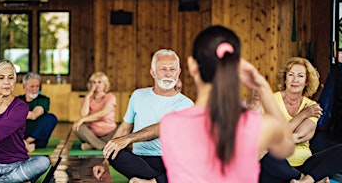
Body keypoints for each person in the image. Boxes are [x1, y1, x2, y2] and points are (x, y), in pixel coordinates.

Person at [156, 25, 295, 183]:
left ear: (191, 66)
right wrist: (262, 87)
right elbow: (287, 146)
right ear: (236, 67)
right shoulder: (261, 126)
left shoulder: (170, 124)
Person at [92, 49, 194, 182]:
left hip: (170, 161)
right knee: (113, 151)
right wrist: (105, 163)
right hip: (140, 160)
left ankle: (150, 180)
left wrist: (128, 139)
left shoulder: (185, 104)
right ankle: (156, 180)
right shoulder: (138, 95)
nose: (168, 74)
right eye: (163, 69)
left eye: (172, 69)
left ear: (178, 72)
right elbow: (124, 128)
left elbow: (161, 128)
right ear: (153, 72)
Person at [259, 57, 342, 183]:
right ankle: (307, 180)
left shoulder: (312, 106)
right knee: (265, 154)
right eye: (291, 75)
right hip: (276, 165)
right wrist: (303, 115)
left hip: (305, 163)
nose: (295, 80)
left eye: (300, 76)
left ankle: (304, 180)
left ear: (306, 81)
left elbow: (300, 136)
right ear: (285, 78)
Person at [72, 71, 117, 150]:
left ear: (104, 84)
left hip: (110, 133)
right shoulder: (88, 99)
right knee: (77, 127)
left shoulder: (110, 97)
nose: (97, 85)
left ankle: (93, 145)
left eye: (99, 82)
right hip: (92, 134)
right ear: (90, 84)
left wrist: (83, 120)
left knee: (125, 129)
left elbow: (103, 113)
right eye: (94, 82)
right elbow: (83, 114)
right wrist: (88, 96)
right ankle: (104, 146)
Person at [18, 72, 58, 152]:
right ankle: (23, 144)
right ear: (24, 86)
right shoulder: (17, 101)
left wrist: (17, 114)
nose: (35, 89)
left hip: (38, 139)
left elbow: (34, 115)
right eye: (32, 86)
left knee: (51, 118)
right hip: (20, 136)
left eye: (37, 86)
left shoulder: (43, 99)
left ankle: (24, 143)